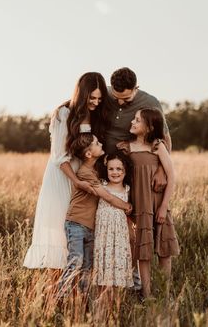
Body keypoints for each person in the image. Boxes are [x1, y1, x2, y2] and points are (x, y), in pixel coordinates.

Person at [23, 72, 110, 269]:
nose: (96, 102)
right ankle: (57, 290)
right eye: (92, 98)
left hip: (84, 174)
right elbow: (59, 156)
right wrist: (76, 181)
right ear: (82, 94)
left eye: (99, 98)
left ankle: (75, 290)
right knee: (60, 227)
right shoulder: (64, 113)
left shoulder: (96, 115)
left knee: (78, 229)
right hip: (63, 175)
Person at [117, 108, 180, 298]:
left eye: (137, 120)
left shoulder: (157, 146)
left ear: (149, 126)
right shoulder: (125, 148)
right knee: (142, 251)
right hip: (138, 205)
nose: (132, 123)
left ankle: (164, 292)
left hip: (157, 203)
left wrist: (163, 207)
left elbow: (171, 177)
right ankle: (147, 292)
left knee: (164, 250)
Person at [59, 133, 132, 295]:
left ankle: (82, 301)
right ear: (88, 154)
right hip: (76, 222)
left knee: (87, 266)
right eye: (97, 143)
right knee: (75, 261)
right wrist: (127, 206)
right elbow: (106, 196)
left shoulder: (94, 170)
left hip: (90, 226)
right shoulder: (85, 172)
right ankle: (60, 296)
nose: (101, 144)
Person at [105, 67, 171, 193]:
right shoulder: (104, 92)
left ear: (136, 88)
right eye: (116, 97)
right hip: (103, 165)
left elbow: (165, 138)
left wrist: (162, 171)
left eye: (126, 99)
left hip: (131, 168)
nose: (120, 102)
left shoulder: (150, 102)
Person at [93, 151, 134, 289]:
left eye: (119, 169)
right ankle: (101, 303)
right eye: (111, 169)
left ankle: (115, 304)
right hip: (103, 236)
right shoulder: (102, 186)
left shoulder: (128, 190)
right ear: (106, 169)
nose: (115, 172)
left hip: (120, 237)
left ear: (125, 170)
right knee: (104, 265)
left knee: (118, 263)